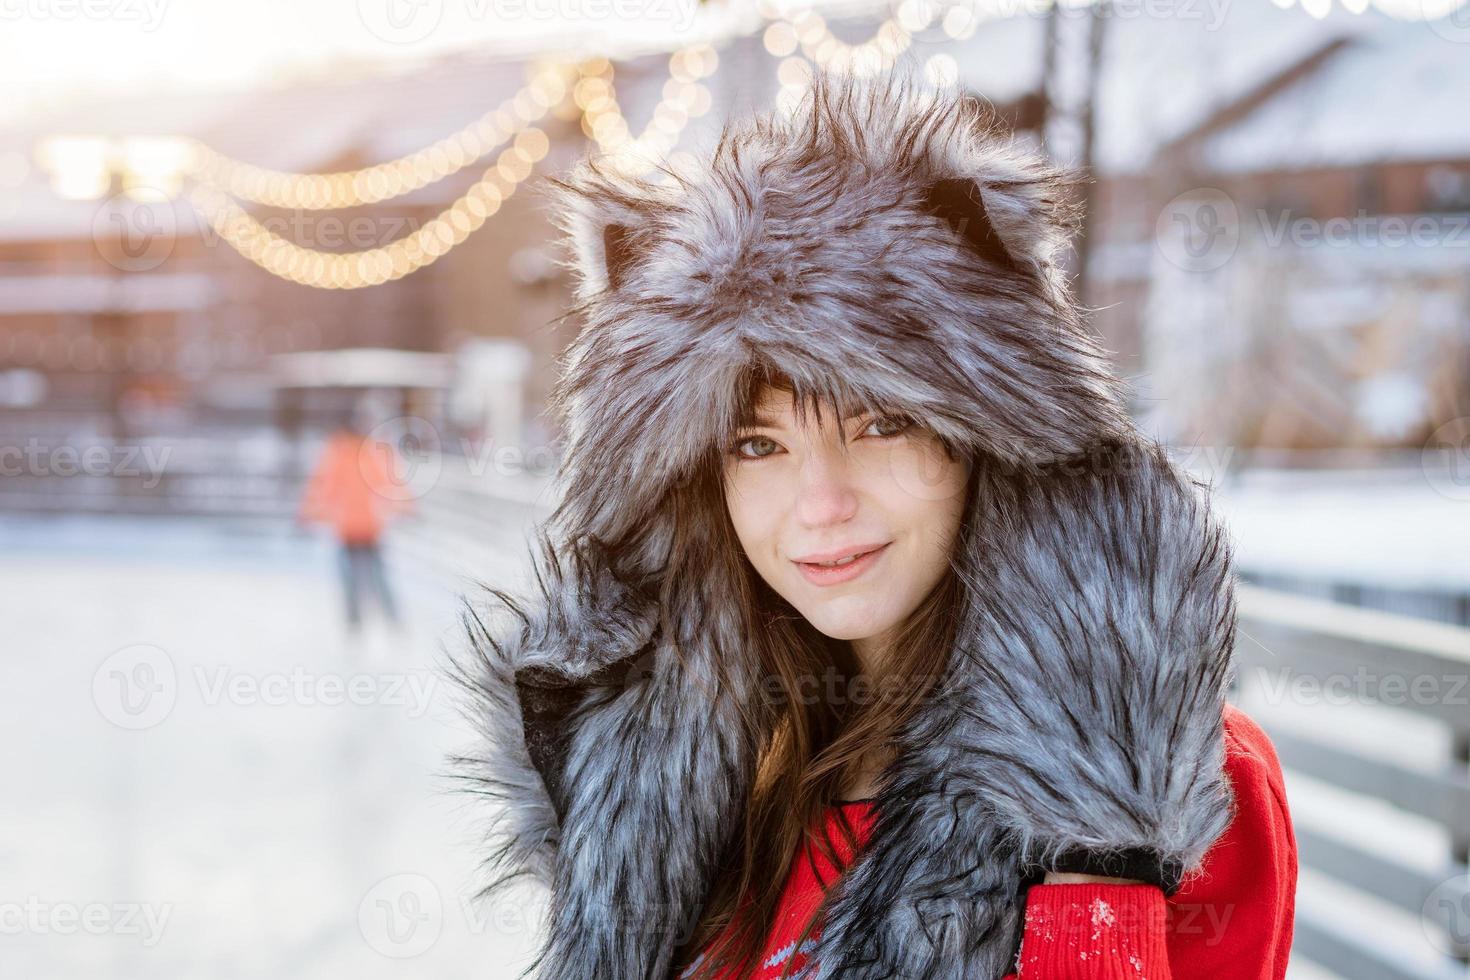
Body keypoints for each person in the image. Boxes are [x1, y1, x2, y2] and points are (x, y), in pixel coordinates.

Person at [450, 63, 1296, 979]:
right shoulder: (705, 792)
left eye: (882, 423)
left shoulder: (1176, 787)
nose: (821, 505)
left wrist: (1095, 846)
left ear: (986, 443)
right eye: (757, 445)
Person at [297, 404, 410, 632]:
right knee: (368, 578)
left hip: (362, 527)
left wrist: (309, 512)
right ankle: (372, 622)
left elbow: (322, 487)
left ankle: (375, 621)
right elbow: (392, 485)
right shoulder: (352, 451)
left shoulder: (355, 451)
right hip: (357, 527)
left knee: (366, 578)